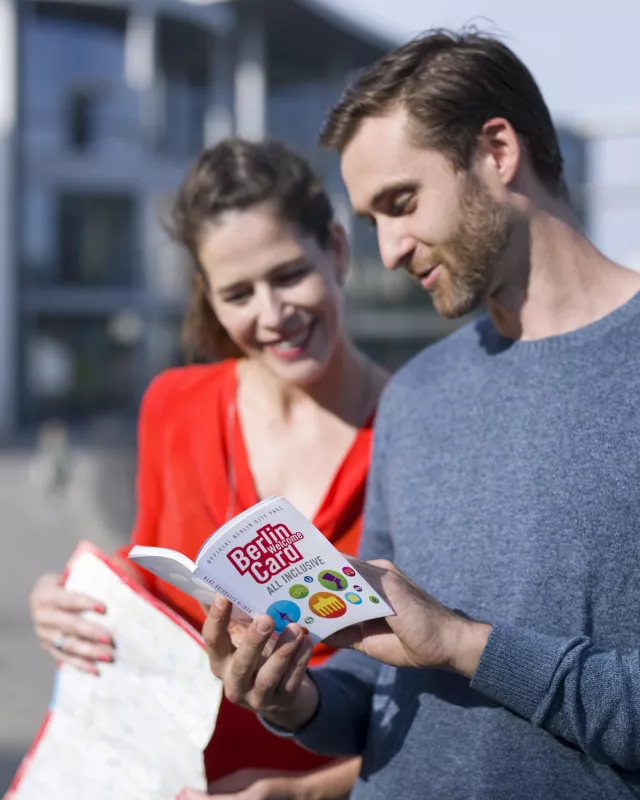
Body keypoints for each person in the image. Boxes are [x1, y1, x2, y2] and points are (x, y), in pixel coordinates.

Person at [202, 29, 640, 800]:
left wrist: (465, 645)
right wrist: (293, 699)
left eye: (401, 203)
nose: (390, 251)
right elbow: (375, 685)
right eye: (370, 220)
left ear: (497, 150)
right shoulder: (415, 396)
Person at [28, 138, 388, 799]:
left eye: (287, 275)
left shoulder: (409, 429)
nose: (272, 315)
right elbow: (152, 578)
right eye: (238, 293)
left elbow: (443, 714)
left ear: (336, 250)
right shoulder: (174, 404)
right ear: (209, 298)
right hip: (162, 780)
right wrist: (72, 603)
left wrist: (304, 794)